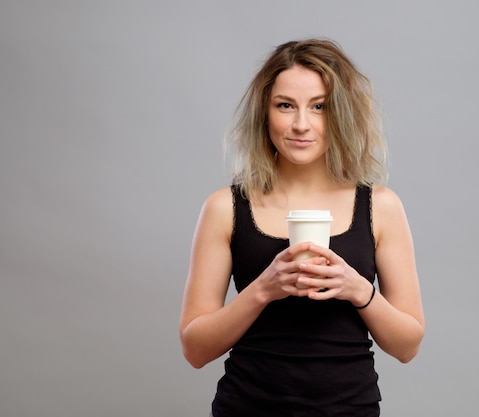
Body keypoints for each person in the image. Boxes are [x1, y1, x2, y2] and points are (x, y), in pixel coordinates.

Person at [179, 38, 425, 417]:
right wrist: (264, 288)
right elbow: (195, 349)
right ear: (266, 112)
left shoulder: (380, 206)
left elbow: (407, 346)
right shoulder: (225, 208)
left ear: (340, 113)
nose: (300, 124)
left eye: (319, 107)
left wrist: (357, 289)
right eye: (285, 106)